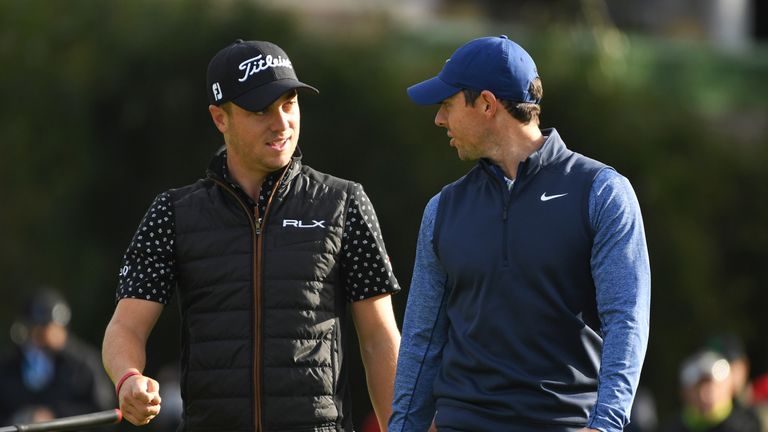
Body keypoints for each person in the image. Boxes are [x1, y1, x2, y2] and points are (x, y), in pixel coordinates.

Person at [101, 39, 401, 431]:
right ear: (219, 117)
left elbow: (380, 339)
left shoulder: (344, 202)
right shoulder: (173, 212)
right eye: (261, 109)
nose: (281, 123)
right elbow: (126, 326)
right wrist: (128, 379)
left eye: (289, 103)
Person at [390, 35, 651, 432]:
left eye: (447, 105)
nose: (439, 120)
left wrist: (606, 425)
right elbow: (422, 342)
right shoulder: (442, 210)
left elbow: (626, 320)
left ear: (487, 104)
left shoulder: (601, 192)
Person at [0, 288, 115, 426]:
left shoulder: (82, 364)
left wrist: (56, 417)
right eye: (39, 329)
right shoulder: (9, 365)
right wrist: (21, 418)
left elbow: (102, 409)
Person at [660, 350, 762, 432]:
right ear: (684, 393)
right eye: (698, 386)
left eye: (713, 385)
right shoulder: (673, 426)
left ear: (729, 387)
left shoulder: (748, 423)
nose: (705, 393)